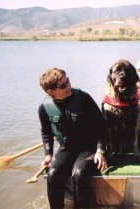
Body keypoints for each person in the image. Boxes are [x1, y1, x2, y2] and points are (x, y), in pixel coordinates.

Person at [38, 68, 108, 208]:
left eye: (68, 81)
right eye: (63, 85)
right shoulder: (44, 108)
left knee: (79, 173)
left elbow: (102, 126)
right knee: (53, 173)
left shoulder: (83, 98)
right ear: (51, 92)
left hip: (89, 147)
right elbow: (46, 133)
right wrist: (48, 155)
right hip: (67, 148)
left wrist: (100, 151)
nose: (68, 85)